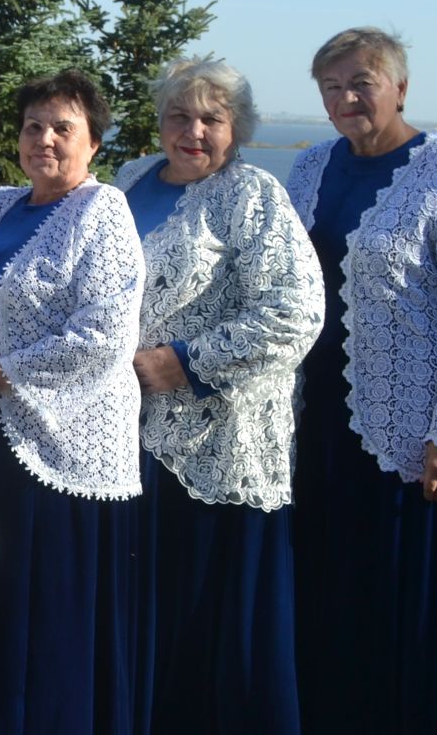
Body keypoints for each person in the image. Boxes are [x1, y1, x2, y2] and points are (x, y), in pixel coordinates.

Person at [286, 27, 437, 734]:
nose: (346, 98)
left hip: (411, 434)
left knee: (402, 610)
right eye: (332, 87)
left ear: (400, 88)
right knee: (328, 600)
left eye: (361, 82)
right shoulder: (310, 166)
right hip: (317, 423)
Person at [113, 59, 323, 735]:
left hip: (218, 446)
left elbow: (296, 313)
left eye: (212, 118)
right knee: (148, 617)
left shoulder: (252, 195)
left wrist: (187, 362)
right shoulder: (127, 182)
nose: (193, 130)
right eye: (180, 115)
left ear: (238, 129)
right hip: (126, 440)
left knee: (211, 623)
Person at [0, 69, 146, 735]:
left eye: (64, 128)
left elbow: (106, 332)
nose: (45, 139)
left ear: (93, 143)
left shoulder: (101, 210)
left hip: (67, 446)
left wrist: (0, 374)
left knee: (50, 613)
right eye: (34, 126)